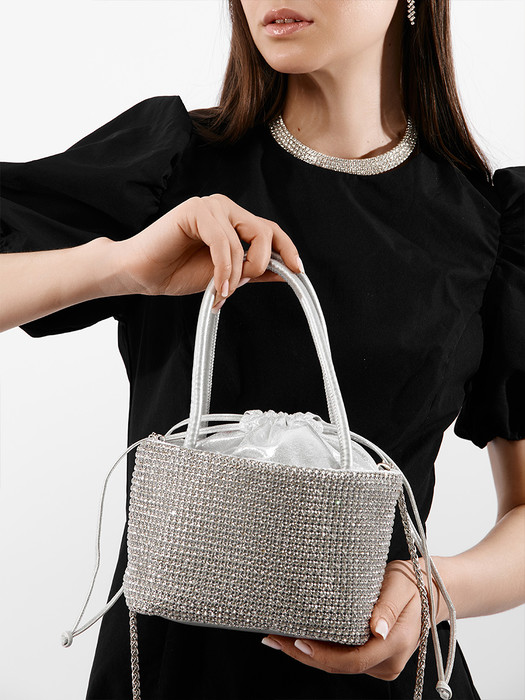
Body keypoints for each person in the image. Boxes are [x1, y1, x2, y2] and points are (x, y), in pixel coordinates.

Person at [1, 0, 524, 698]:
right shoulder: (174, 166)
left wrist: (432, 587)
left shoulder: (488, 227)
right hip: (171, 675)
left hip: (378, 667)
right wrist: (120, 265)